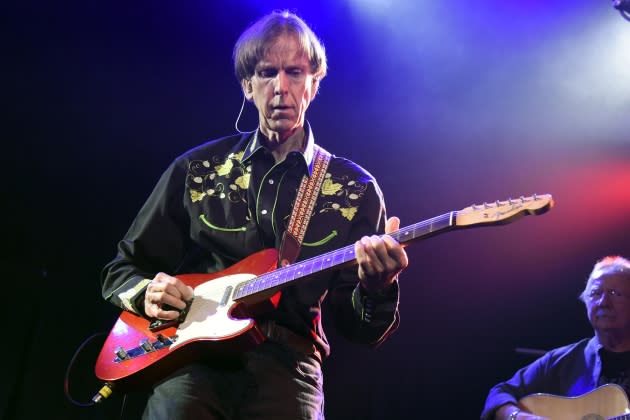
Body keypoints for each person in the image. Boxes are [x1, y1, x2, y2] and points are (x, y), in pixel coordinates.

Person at [100, 10, 408, 420]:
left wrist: (377, 286)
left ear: (314, 84)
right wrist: (147, 295)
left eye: (295, 73)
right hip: (193, 364)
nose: (281, 87)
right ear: (247, 85)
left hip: (290, 367)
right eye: (267, 73)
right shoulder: (198, 170)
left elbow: (360, 330)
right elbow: (121, 270)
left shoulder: (354, 189)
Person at [481, 255, 630, 420]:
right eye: (595, 293)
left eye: (615, 293)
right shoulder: (563, 361)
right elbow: (499, 393)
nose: (603, 302)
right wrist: (519, 417)